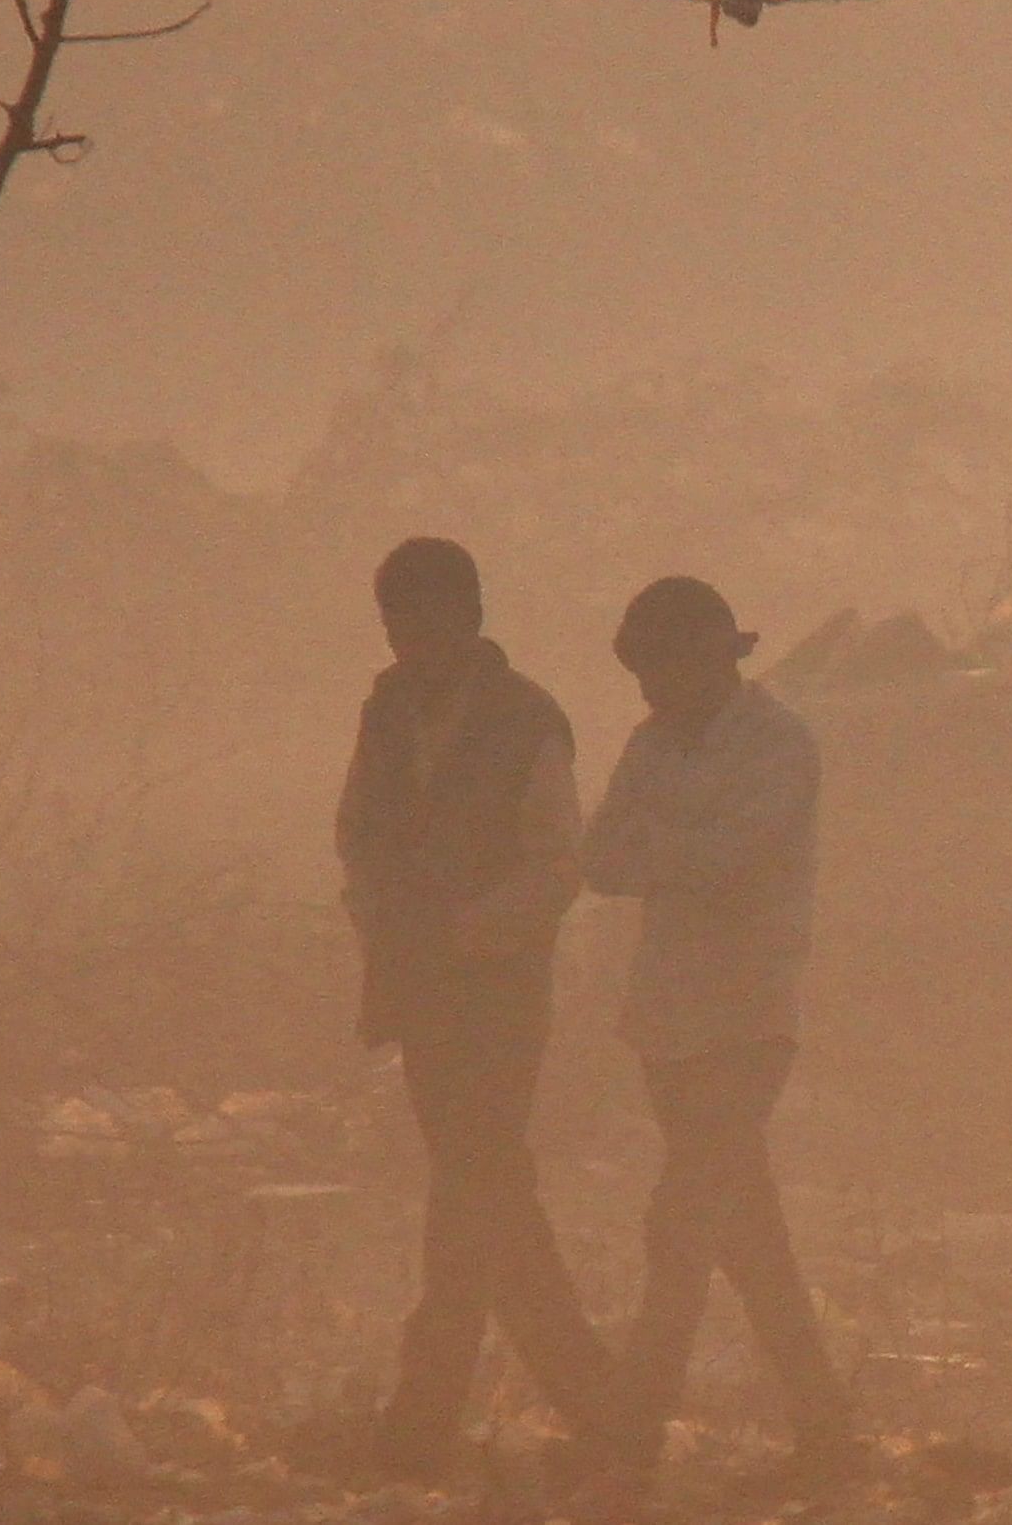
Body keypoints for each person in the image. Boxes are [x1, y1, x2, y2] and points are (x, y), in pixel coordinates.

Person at [334, 536, 623, 1476]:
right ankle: (600, 1406)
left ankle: (428, 1417)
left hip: (497, 991)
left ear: (467, 615)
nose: (404, 635)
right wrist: (381, 922)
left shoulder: (525, 717)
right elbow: (357, 835)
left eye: (419, 615)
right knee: (483, 1188)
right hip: (421, 991)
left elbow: (556, 862)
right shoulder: (384, 713)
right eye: (392, 618)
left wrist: (467, 932)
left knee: (471, 1186)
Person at [580, 576, 854, 1482]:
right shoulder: (651, 744)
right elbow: (604, 858)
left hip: (745, 1018)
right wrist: (676, 851)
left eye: (659, 667)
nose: (649, 689)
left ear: (708, 657)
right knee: (746, 1233)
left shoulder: (779, 743)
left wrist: (664, 848)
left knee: (682, 1225)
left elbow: (731, 859)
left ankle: (630, 1434)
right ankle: (826, 1429)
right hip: (667, 1021)